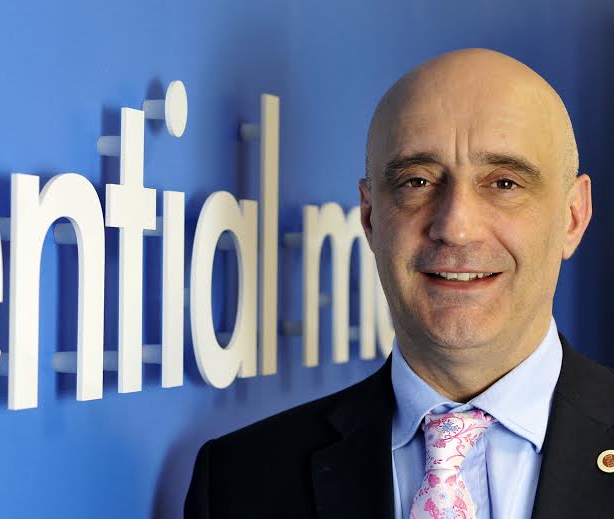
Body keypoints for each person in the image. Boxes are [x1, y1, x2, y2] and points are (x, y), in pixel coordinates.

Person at [184, 48, 612, 519]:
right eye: (417, 182)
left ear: (573, 216)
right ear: (370, 217)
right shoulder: (238, 482)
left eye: (504, 183)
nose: (456, 227)